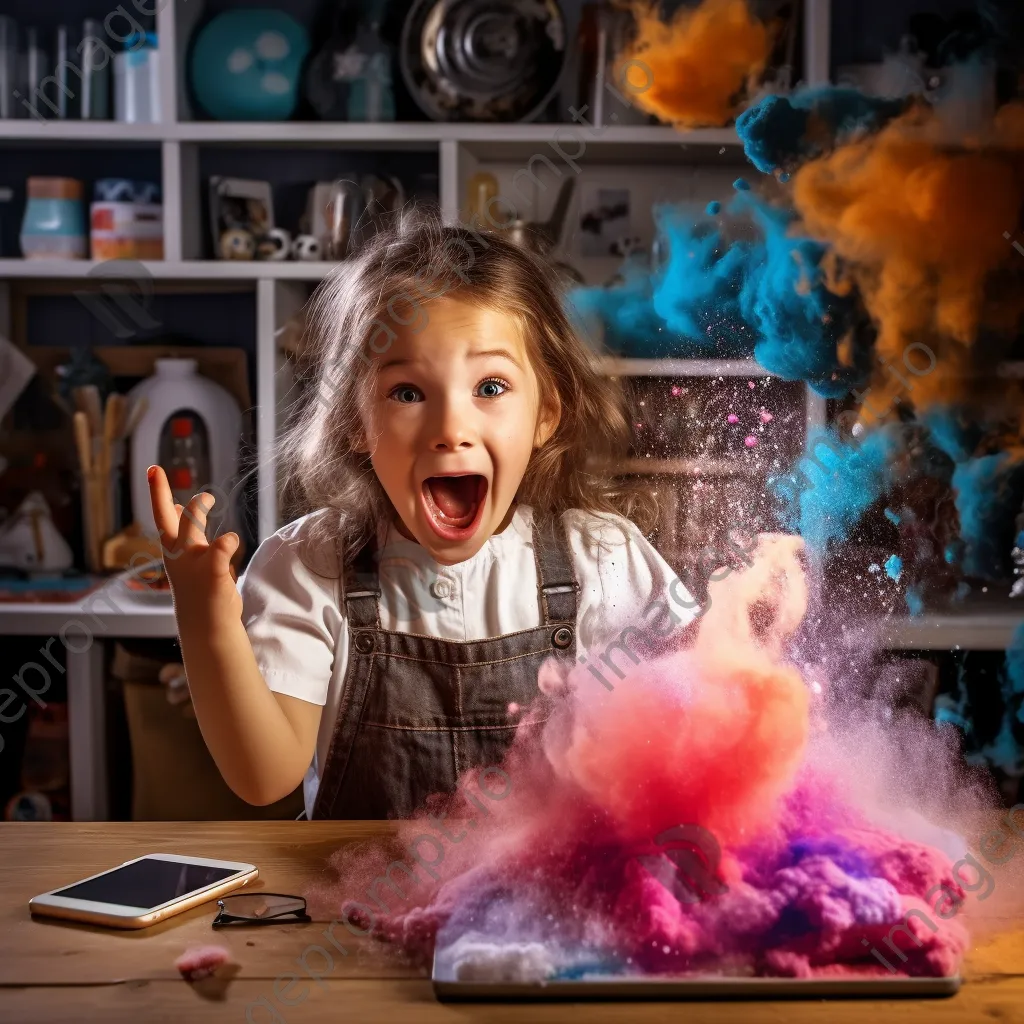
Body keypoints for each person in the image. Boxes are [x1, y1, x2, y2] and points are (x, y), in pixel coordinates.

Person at [147, 210, 702, 821]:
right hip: (351, 912)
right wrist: (207, 623)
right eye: (408, 393)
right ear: (356, 422)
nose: (450, 430)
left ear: (546, 413)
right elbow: (264, 777)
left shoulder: (604, 560)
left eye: (490, 388)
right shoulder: (307, 567)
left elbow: (689, 739)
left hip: (544, 913)